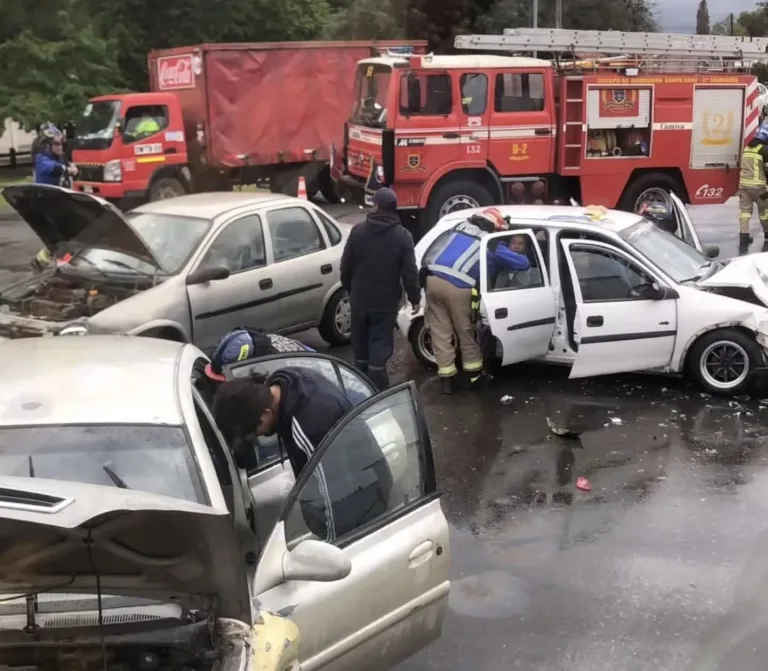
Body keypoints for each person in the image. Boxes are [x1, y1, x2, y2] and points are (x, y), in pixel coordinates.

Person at [212, 368, 393, 541]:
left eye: (254, 432)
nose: (256, 436)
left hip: (363, 508)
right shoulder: (288, 381)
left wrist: (333, 543)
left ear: (266, 413)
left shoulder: (310, 427)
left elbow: (335, 497)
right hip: (367, 478)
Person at [421, 207, 530, 395]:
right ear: (494, 227)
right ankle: (475, 377)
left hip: (433, 280)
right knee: (466, 331)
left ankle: (447, 379)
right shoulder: (490, 242)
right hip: (459, 286)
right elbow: (523, 264)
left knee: (440, 331)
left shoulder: (458, 228)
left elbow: (434, 250)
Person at [340, 187, 420, 390]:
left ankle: (359, 380)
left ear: (377, 206)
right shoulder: (403, 236)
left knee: (359, 340)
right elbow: (409, 271)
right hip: (384, 302)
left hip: (359, 298)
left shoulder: (358, 230)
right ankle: (377, 385)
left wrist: (349, 287)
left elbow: (346, 264)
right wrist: (415, 298)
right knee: (380, 340)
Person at [738, 121, 768, 253]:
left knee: (745, 211)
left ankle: (744, 236)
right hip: (759, 187)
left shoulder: (747, 148)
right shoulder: (764, 150)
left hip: (744, 186)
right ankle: (767, 235)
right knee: (764, 212)